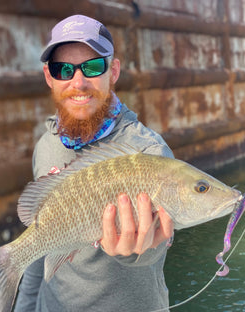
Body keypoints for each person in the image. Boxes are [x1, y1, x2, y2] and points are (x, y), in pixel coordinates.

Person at [15, 14, 175, 312]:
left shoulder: (148, 152)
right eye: (63, 69)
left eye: (92, 67)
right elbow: (39, 245)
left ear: (113, 71)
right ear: (49, 77)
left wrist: (132, 252)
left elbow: (158, 247)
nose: (78, 82)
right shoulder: (46, 145)